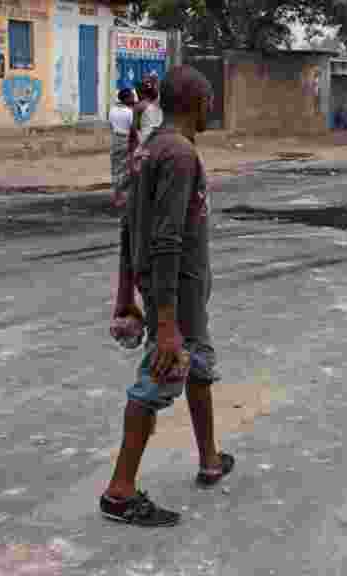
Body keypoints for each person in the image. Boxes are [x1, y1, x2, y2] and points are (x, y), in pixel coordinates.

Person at [102, 65, 234, 527]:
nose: (213, 107)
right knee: (157, 379)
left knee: (199, 368)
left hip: (179, 298)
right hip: (174, 299)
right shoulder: (178, 155)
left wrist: (125, 295)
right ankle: (120, 491)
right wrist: (163, 324)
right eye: (209, 98)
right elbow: (165, 239)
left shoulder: (148, 150)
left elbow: (128, 225)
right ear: (195, 101)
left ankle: (210, 459)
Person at [110, 89, 137, 208]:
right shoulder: (129, 112)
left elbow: (111, 125)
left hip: (115, 139)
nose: (133, 99)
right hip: (126, 140)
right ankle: (124, 198)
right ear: (126, 99)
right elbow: (133, 130)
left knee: (116, 169)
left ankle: (117, 197)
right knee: (126, 169)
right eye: (131, 97)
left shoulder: (112, 110)